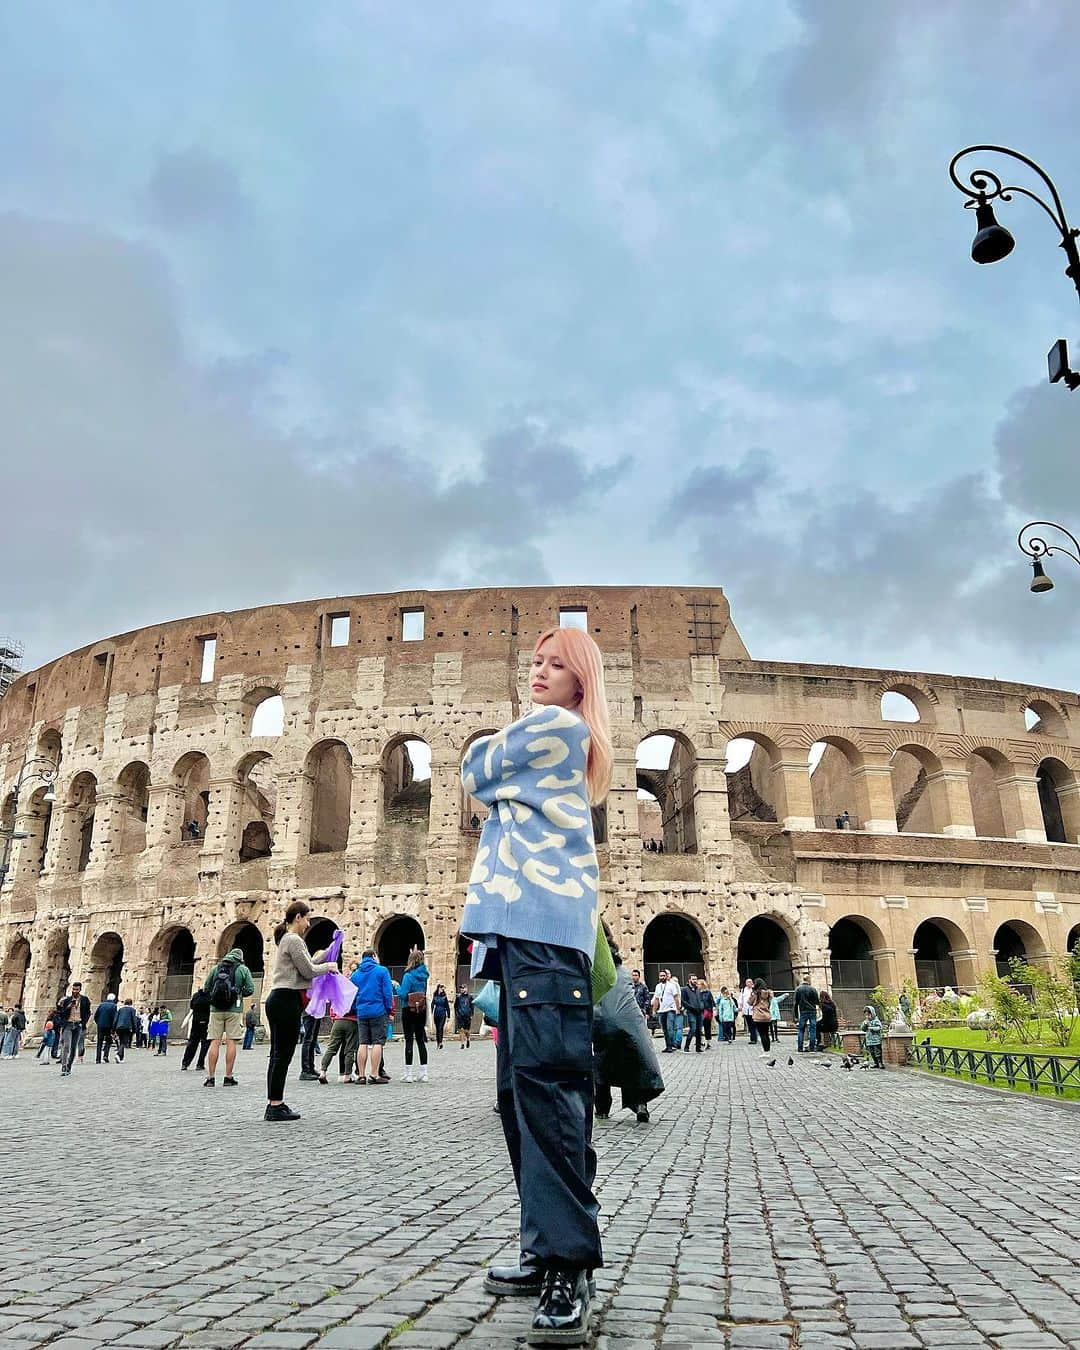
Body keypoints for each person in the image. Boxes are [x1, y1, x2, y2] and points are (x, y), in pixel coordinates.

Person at [460, 624, 612, 1346]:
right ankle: (542, 1243)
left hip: (545, 936)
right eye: (537, 661)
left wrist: (485, 774)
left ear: (582, 682)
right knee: (520, 1095)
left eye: (558, 664)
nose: (541, 672)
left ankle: (566, 1263)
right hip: (529, 937)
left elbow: (474, 769)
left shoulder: (553, 728)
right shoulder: (557, 735)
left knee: (547, 1094)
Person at [264, 901, 339, 1122]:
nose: (308, 924)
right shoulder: (294, 939)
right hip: (287, 999)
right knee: (283, 1055)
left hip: (279, 998)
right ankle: (275, 1105)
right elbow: (308, 971)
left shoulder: (287, 940)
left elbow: (302, 966)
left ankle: (273, 1103)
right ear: (298, 917)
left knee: (277, 1055)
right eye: (307, 919)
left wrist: (323, 955)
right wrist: (329, 966)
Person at [593, 924, 664, 1126]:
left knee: (602, 1062)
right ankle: (641, 1105)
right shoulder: (624, 972)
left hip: (603, 1021)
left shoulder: (596, 969)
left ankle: (602, 1109)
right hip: (630, 1022)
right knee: (634, 1061)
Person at [202, 946, 256, 1088]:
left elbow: (206, 987)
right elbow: (250, 989)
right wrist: (237, 993)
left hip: (215, 1010)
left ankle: (210, 1078)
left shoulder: (216, 968)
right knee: (231, 1042)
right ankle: (228, 1076)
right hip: (234, 1010)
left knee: (215, 1042)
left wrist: (215, 996)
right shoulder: (242, 969)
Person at [351, 949, 394, 1085]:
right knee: (377, 1042)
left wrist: (356, 1008)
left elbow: (351, 994)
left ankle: (361, 1075)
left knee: (362, 1042)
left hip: (362, 1012)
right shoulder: (382, 971)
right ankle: (374, 1074)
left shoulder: (355, 975)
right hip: (378, 1010)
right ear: (374, 956)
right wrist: (389, 1009)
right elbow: (387, 992)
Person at [397, 947, 430, 1084]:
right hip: (421, 1010)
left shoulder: (408, 976)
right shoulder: (424, 976)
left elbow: (403, 994)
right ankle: (424, 1073)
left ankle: (408, 1073)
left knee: (409, 1040)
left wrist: (396, 987)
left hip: (408, 1009)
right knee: (421, 1040)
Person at [56, 981, 92, 1078]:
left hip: (78, 1025)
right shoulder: (66, 1000)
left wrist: (83, 1022)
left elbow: (88, 1012)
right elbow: (60, 1012)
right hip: (68, 1024)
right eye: (73, 989)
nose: (75, 991)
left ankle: (69, 1067)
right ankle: (63, 1067)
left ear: (80, 990)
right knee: (66, 1046)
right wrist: (68, 1007)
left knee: (73, 1048)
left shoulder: (85, 1000)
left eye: (77, 989)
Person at [318, 1004, 360, 1084]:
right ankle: (347, 1075)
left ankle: (322, 1072)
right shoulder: (353, 993)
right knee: (350, 1050)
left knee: (331, 1048)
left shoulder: (340, 992)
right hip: (352, 1021)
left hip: (338, 1021)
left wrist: (334, 1018)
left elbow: (332, 1007)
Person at [181, 986, 212, 1073]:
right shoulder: (210, 996)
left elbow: (192, 1007)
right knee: (205, 1044)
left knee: (192, 1044)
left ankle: (185, 1063)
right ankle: (200, 1064)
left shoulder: (195, 996)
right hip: (207, 1022)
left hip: (196, 1022)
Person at [651, 970, 681, 1053]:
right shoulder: (658, 986)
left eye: (664, 975)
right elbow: (656, 999)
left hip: (670, 1009)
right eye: (661, 976)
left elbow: (676, 997)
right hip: (662, 1010)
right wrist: (654, 1010)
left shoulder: (672, 986)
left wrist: (678, 1008)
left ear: (666, 976)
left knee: (670, 1028)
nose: (662, 977)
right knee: (664, 1029)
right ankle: (668, 1046)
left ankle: (671, 1045)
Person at [793, 976, 820, 1053]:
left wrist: (795, 1016)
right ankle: (812, 1048)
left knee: (801, 1030)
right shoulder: (813, 989)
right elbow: (817, 1002)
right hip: (812, 1011)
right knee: (813, 1030)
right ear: (808, 980)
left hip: (803, 1012)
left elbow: (795, 1003)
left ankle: (800, 1048)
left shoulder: (798, 989)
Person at [749, 978, 774, 1057]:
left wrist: (752, 993)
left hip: (759, 1016)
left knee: (762, 1034)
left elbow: (749, 1002)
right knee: (766, 1034)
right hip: (767, 1016)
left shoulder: (756, 993)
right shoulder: (768, 993)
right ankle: (768, 1051)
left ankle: (765, 1052)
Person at [680, 975, 705, 1054]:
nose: (695, 981)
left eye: (696, 979)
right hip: (691, 1012)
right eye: (693, 979)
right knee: (693, 1029)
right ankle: (686, 1046)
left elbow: (701, 999)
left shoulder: (698, 989)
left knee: (699, 1030)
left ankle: (698, 1047)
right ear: (689, 980)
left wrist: (702, 1007)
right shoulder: (685, 990)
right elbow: (683, 1001)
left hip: (699, 1012)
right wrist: (691, 1008)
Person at [93, 993, 119, 1063]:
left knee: (99, 1042)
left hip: (100, 1026)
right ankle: (105, 1056)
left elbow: (96, 1016)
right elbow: (114, 1018)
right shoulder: (114, 1006)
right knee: (109, 1041)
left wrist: (98, 1023)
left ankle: (98, 1059)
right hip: (108, 1026)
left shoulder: (101, 1005)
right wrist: (113, 1029)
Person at [431, 984, 451, 1049]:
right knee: (437, 1029)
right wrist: (431, 1012)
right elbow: (432, 1003)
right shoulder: (435, 996)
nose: (442, 990)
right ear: (438, 988)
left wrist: (448, 1016)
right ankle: (438, 1043)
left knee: (440, 1028)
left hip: (443, 1013)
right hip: (436, 1013)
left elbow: (447, 1006)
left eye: (443, 989)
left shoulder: (444, 997)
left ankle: (440, 1042)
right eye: (441, 988)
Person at [739, 978, 758, 1044]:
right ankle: (752, 1038)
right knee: (749, 1025)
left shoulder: (754, 989)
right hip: (746, 1010)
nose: (749, 983)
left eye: (750, 982)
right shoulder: (743, 990)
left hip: (753, 1010)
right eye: (748, 982)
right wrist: (741, 1007)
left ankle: (754, 1039)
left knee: (753, 1024)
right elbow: (741, 999)